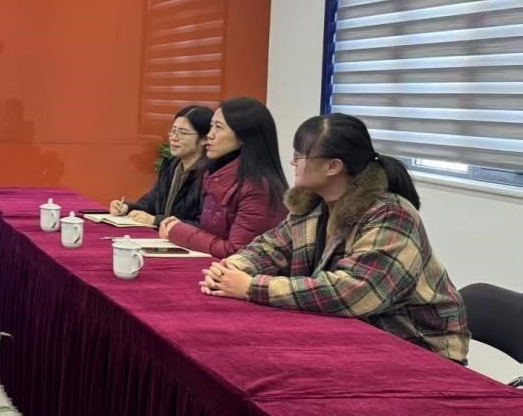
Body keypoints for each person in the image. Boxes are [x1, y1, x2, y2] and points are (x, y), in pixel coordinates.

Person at [201, 113, 469, 363]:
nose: (294, 163)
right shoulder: (313, 204)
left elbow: (354, 291)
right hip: (350, 337)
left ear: (333, 166)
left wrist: (253, 287)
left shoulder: (391, 215)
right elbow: (270, 247)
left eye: (300, 156)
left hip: (416, 349)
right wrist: (233, 267)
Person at [161, 97, 288, 257]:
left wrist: (180, 231)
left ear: (243, 136)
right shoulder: (215, 174)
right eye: (211, 126)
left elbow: (238, 252)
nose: (209, 135)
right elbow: (210, 235)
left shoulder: (258, 187)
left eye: (218, 127)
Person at [109, 105, 212, 226]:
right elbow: (151, 203)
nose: (174, 138)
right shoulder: (171, 165)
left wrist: (156, 221)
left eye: (182, 133)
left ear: (204, 139)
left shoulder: (210, 175)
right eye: (173, 131)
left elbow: (203, 225)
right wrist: (127, 208)